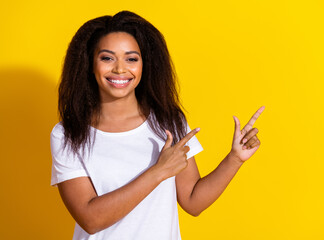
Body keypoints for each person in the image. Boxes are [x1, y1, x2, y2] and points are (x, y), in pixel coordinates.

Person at [50, 10, 265, 240]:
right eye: (107, 58)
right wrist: (159, 172)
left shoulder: (169, 121)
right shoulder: (67, 134)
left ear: (145, 65)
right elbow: (90, 219)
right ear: (90, 64)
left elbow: (193, 201)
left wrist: (234, 159)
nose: (120, 69)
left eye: (131, 58)